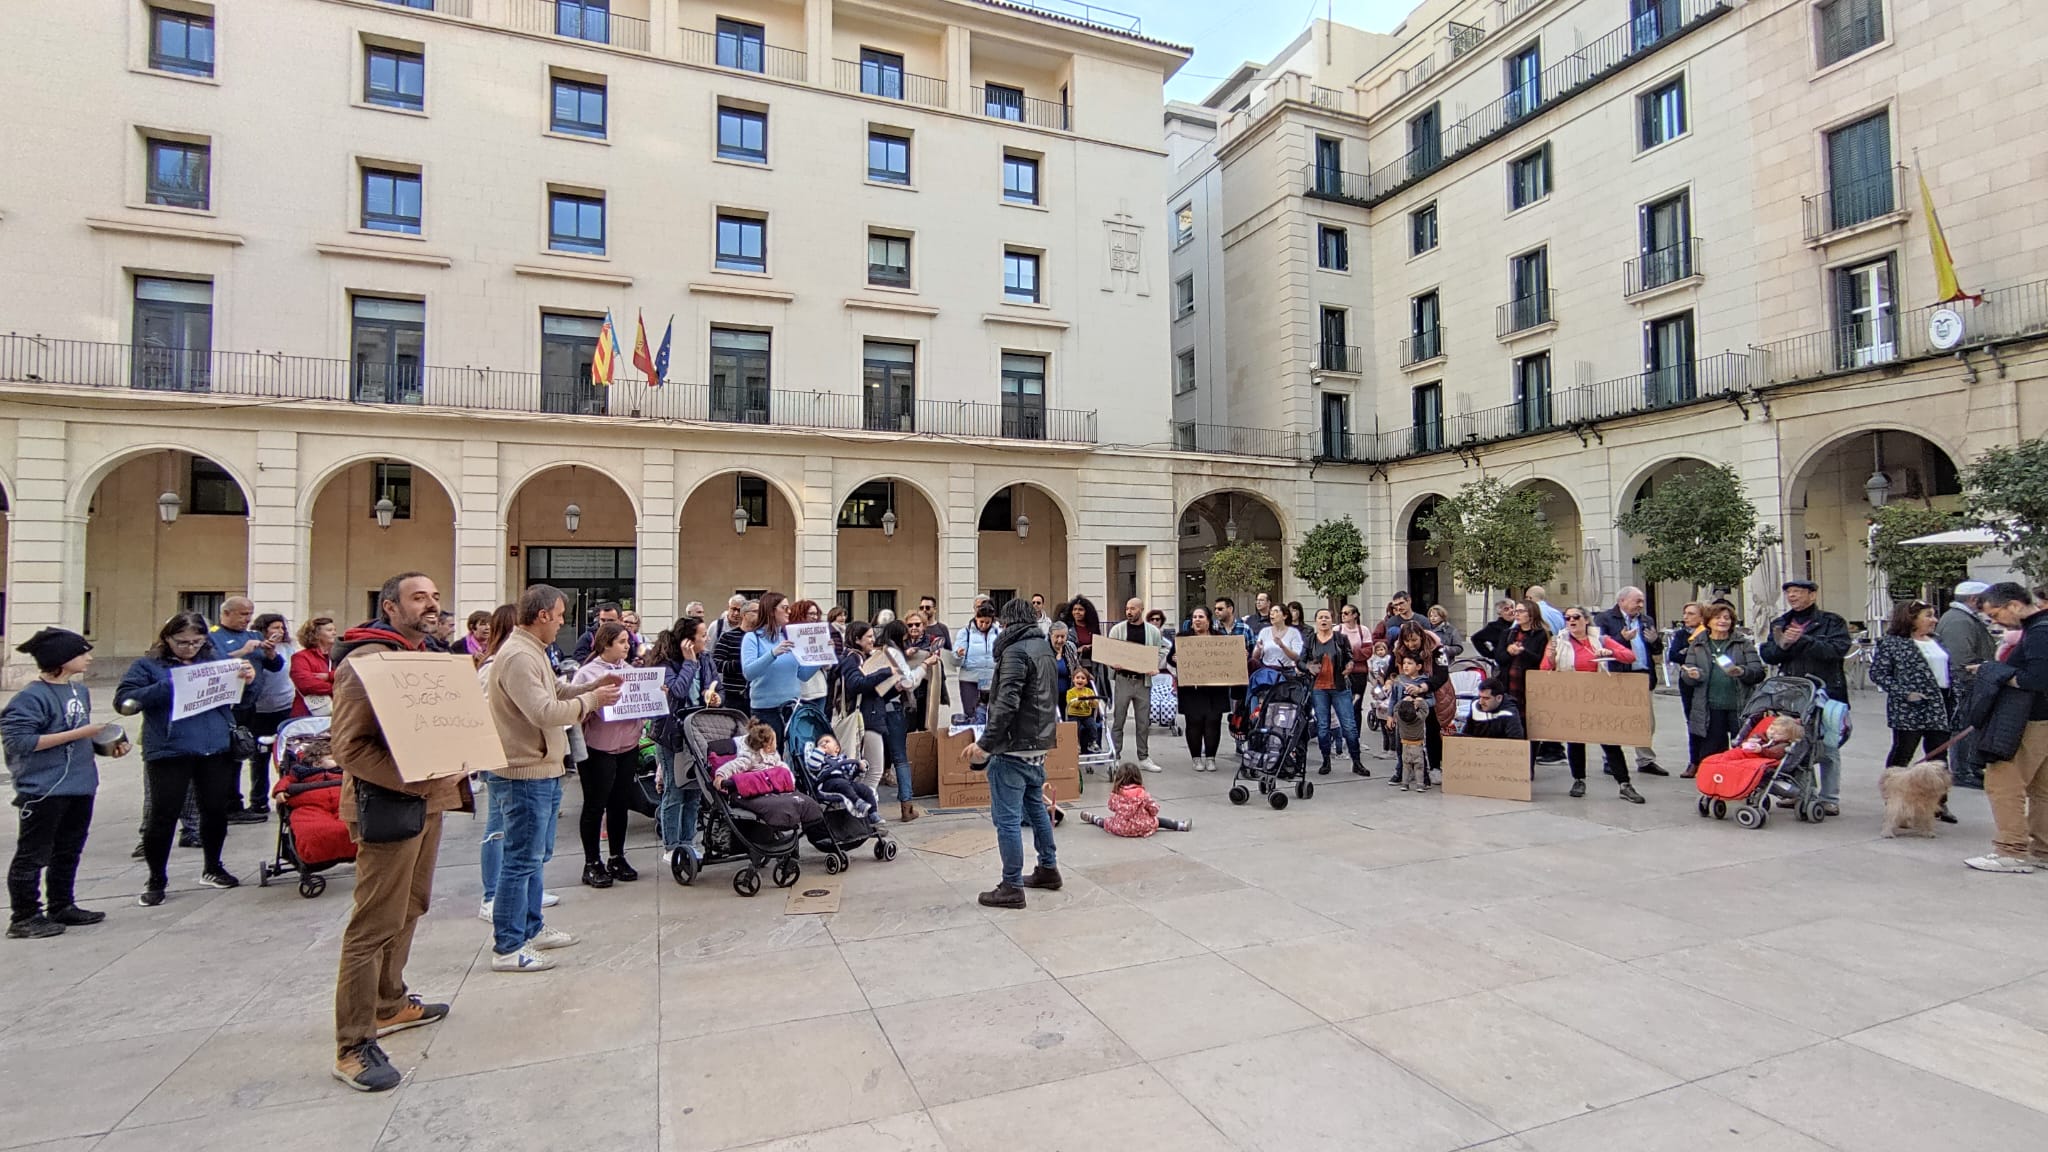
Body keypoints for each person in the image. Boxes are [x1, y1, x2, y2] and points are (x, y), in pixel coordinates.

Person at [327, 572, 464, 1092]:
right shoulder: (364, 663)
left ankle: (389, 1001)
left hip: (427, 803)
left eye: (433, 596)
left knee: (412, 904)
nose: (431, 604)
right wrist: (416, 780)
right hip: (386, 804)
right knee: (372, 924)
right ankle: (352, 1043)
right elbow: (350, 748)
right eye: (418, 597)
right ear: (390, 607)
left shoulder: (424, 655)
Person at [484, 584, 622, 973]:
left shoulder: (532, 651)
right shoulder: (517, 656)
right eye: (560, 615)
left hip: (541, 766)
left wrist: (591, 686)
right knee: (520, 859)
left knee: (532, 858)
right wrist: (593, 702)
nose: (562, 622)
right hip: (522, 769)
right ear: (542, 615)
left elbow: (557, 690)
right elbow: (544, 711)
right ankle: (509, 946)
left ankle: (531, 926)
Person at [117, 612, 259, 903]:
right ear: (166, 639)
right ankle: (156, 877)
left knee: (215, 811)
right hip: (170, 749)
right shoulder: (147, 665)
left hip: (215, 746)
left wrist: (248, 680)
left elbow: (242, 700)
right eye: (181, 642)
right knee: (163, 815)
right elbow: (125, 701)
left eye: (196, 642)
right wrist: (171, 684)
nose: (189, 648)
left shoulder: (214, 661)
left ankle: (213, 866)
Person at [5, 628, 121, 939]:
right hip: (44, 789)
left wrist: (105, 745)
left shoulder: (77, 691)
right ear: (61, 659)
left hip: (80, 784)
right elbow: (19, 741)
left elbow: (76, 733)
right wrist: (82, 733)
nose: (89, 657)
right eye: (82, 653)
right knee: (33, 854)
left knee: (68, 849)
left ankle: (62, 904)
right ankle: (25, 915)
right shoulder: (30, 697)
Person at [965, 598, 1060, 909]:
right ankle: (1048, 868)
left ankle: (1011, 884)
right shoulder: (1044, 646)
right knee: (1035, 807)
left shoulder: (1014, 651)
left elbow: (1006, 703)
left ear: (1008, 623)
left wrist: (986, 744)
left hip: (1014, 745)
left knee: (1007, 819)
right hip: (1040, 741)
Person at [475, 603, 560, 924]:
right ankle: (492, 896)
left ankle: (530, 911)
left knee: (530, 845)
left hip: (533, 761)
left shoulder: (529, 659)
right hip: (508, 762)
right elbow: (512, 713)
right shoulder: (503, 663)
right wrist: (586, 701)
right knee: (501, 832)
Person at [1967, 583, 2048, 873]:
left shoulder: (2039, 632)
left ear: (2014, 605)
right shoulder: (2039, 628)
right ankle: (2042, 849)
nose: (1995, 621)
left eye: (1995, 613)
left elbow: (2035, 679)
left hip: (2029, 720)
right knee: (2041, 788)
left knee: (2003, 783)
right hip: (2039, 719)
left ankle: (2011, 850)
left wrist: (1993, 672)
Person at [1759, 578, 1851, 813]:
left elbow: (1837, 650)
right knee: (1794, 742)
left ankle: (1830, 797)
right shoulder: (1781, 622)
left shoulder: (1831, 621)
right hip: (1792, 694)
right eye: (1789, 592)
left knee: (1828, 746)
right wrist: (1784, 645)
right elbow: (1769, 654)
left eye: (1798, 592)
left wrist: (1804, 639)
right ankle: (1802, 791)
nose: (1792, 596)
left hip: (1827, 691)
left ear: (1812, 595)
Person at [1540, 607, 1646, 803]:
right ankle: (1578, 779)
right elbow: (1545, 669)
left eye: (1576, 617)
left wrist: (1610, 651)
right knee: (1575, 741)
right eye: (1567, 618)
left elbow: (1630, 656)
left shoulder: (1601, 639)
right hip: (1572, 698)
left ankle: (1624, 783)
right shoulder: (1558, 641)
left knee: (1609, 741)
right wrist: (1551, 656)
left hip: (1598, 699)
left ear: (1586, 620)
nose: (1571, 621)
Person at [1869, 600, 1958, 825]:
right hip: (1909, 705)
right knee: (1904, 751)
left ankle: (1937, 801)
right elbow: (1879, 673)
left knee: (1938, 753)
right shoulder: (1892, 643)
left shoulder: (1937, 641)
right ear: (1911, 618)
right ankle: (1894, 799)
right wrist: (1904, 692)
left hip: (1940, 702)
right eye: (1928, 615)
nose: (1933, 620)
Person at [571, 622, 644, 888]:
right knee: (595, 804)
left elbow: (642, 703)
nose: (627, 646)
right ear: (606, 644)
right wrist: (596, 701)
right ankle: (592, 862)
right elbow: (576, 711)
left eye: (628, 641)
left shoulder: (631, 671)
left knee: (619, 804)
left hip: (627, 746)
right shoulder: (587, 674)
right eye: (622, 642)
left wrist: (654, 696)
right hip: (598, 748)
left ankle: (617, 856)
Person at [649, 616, 719, 865]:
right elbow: (677, 692)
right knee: (674, 789)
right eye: (702, 635)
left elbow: (715, 685)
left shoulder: (706, 659)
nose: (706, 638)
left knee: (694, 791)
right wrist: (689, 664)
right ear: (688, 641)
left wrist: (715, 696)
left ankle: (689, 842)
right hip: (672, 734)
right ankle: (671, 844)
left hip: (698, 731)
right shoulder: (667, 663)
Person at [212, 596, 283, 822]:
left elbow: (275, 666)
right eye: (242, 614)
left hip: (252, 706)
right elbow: (208, 665)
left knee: (245, 753)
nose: (247, 619)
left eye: (249, 614)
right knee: (228, 756)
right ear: (226, 614)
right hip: (228, 706)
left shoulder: (254, 635)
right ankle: (229, 804)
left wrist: (270, 653)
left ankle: (240, 802)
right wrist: (242, 651)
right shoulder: (214, 637)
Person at [1681, 603, 1764, 774]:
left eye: (1727, 618)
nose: (1723, 621)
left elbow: (1758, 672)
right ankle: (1715, 784)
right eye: (1718, 618)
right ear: (1708, 621)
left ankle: (1742, 783)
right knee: (1712, 750)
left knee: (1742, 747)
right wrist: (1693, 675)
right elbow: (1688, 674)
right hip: (1710, 706)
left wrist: (1741, 671)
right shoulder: (1698, 644)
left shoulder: (1742, 643)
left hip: (1739, 705)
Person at [1594, 587, 1669, 777]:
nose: (1641, 605)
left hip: (1643, 674)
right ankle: (1611, 759)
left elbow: (1656, 650)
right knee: (1615, 719)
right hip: (1618, 675)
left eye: (1642, 601)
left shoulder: (1646, 620)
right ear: (1622, 601)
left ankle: (1645, 759)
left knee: (1646, 720)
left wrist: (1655, 641)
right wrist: (1622, 639)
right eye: (1637, 601)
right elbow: (1600, 645)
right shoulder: (1605, 618)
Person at [1937, 580, 1997, 790]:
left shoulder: (1964, 618)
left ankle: (1969, 768)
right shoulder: (1959, 621)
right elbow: (1961, 658)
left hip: (1971, 681)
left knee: (1969, 726)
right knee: (1964, 727)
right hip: (1966, 682)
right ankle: (1962, 771)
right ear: (1974, 599)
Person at [742, 592, 822, 740]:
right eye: (784, 608)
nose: (789, 612)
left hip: (792, 708)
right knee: (768, 757)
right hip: (765, 710)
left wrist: (821, 658)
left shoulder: (787, 637)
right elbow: (749, 672)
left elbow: (802, 675)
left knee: (793, 754)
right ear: (772, 611)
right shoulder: (752, 638)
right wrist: (773, 653)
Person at [879, 619, 937, 821]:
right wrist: (924, 664)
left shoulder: (879, 652)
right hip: (893, 708)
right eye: (905, 637)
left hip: (873, 709)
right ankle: (907, 805)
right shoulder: (893, 653)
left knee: (873, 759)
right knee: (900, 756)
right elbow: (908, 682)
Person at [1387, 621, 1454, 783]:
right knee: (1407, 733)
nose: (1411, 645)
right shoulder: (1400, 649)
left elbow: (1442, 675)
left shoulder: (1437, 649)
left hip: (1434, 693)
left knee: (1432, 730)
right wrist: (1389, 680)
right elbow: (1392, 669)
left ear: (1422, 637)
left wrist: (1423, 687)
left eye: (1414, 640)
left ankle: (1435, 767)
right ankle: (1407, 768)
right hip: (1407, 694)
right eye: (1407, 641)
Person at [1299, 607, 1363, 776]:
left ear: (1332, 621)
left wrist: (1349, 665)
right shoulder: (1310, 640)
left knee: (1349, 726)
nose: (1324, 620)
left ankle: (1356, 761)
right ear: (1316, 621)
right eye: (1320, 617)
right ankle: (1326, 760)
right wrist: (1308, 667)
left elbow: (1349, 657)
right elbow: (1300, 661)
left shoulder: (1340, 639)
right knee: (1322, 726)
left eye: (1327, 617)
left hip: (1340, 687)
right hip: (1319, 688)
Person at [245, 612, 298, 812]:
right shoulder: (255, 647)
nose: (280, 631)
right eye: (274, 627)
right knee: (259, 756)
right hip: (259, 708)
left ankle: (286, 796)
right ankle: (258, 800)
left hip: (284, 705)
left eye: (281, 627)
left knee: (285, 755)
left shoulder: (288, 648)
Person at [1106, 598, 1166, 772]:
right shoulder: (1118, 629)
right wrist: (1113, 663)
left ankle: (1144, 757)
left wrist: (1154, 663)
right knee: (1119, 719)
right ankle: (1115, 755)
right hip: (1123, 679)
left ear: (1141, 610)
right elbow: (1110, 651)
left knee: (1143, 721)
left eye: (1132, 608)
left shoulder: (1152, 631)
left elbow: (1162, 649)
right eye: (1127, 608)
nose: (1129, 611)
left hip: (1142, 681)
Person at [1171, 608, 1232, 772]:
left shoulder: (1219, 638)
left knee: (1213, 722)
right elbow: (1171, 659)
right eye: (1194, 617)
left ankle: (1211, 757)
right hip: (1192, 689)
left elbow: (1230, 659)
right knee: (1194, 723)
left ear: (1208, 620)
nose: (1197, 620)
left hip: (1215, 689)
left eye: (1201, 617)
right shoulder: (1183, 638)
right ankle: (1196, 758)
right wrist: (1175, 658)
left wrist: (1239, 654)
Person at [1081, 762, 1192, 835]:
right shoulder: (1142, 794)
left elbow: (1111, 806)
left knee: (1107, 821)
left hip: (1122, 828)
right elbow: (1154, 810)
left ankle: (1094, 819)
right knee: (1158, 821)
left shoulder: (1117, 794)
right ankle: (1180, 825)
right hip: (1143, 826)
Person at [803, 733, 882, 823]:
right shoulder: (820, 759)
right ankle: (858, 802)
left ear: (837, 748)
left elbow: (851, 771)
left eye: (827, 741)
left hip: (845, 782)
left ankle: (873, 814)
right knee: (841, 784)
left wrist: (860, 766)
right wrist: (819, 751)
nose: (824, 743)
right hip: (827, 783)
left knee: (865, 789)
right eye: (821, 743)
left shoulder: (842, 759)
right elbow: (813, 766)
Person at [1667, 603, 1706, 767]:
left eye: (1690, 614)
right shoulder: (1682, 634)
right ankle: (1694, 761)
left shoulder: (1707, 633)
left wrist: (1687, 652)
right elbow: (1674, 655)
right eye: (1685, 614)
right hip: (1687, 682)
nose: (1685, 617)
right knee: (1692, 721)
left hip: (1706, 681)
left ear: (1702, 617)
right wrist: (1691, 653)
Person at [1391, 658, 1432, 790]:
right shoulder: (1399, 681)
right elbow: (1393, 699)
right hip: (1402, 723)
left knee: (1421, 752)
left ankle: (1424, 778)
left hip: (1418, 723)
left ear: (1419, 666)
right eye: (1404, 664)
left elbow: (1432, 701)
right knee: (1400, 749)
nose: (1406, 666)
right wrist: (1390, 715)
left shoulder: (1424, 682)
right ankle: (1401, 774)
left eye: (1410, 663)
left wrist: (1420, 702)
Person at [956, 603, 1002, 719]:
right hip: (970, 678)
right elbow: (955, 655)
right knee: (971, 712)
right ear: (976, 618)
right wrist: (958, 654)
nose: (984, 625)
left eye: (987, 622)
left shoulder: (999, 632)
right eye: (981, 621)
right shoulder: (965, 632)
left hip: (990, 678)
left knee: (992, 713)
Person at [713, 599, 757, 715]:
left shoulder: (761, 638)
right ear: (744, 614)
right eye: (756, 611)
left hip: (756, 696)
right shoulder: (728, 637)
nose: (760, 614)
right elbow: (716, 663)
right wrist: (741, 664)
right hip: (733, 697)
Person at [291, 617, 337, 717]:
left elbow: (348, 674)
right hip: (307, 713)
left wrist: (329, 676)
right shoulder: (301, 657)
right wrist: (337, 687)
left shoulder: (337, 656)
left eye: (334, 630)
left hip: (335, 711)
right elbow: (307, 684)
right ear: (316, 635)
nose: (334, 633)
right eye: (329, 630)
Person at [1254, 604, 1303, 672]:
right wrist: (1259, 649)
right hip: (1267, 672)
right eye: (1271, 611)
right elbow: (1255, 657)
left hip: (1287, 672)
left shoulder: (1294, 632)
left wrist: (1282, 646)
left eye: (1276, 611)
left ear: (1285, 616)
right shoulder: (1264, 631)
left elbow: (1296, 657)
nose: (1272, 613)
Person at [1066, 666, 1103, 753]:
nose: (1080, 680)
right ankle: (1076, 744)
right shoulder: (1070, 692)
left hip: (1086, 715)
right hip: (1074, 715)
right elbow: (1070, 704)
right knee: (1076, 728)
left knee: (1093, 726)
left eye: (1083, 678)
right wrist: (1079, 700)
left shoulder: (1089, 691)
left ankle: (1092, 742)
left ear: (1086, 681)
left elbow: (1095, 705)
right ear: (1073, 680)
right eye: (1077, 678)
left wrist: (1091, 701)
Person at [1470, 599, 1518, 664]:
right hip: (1503, 664)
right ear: (1500, 614)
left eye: (1512, 607)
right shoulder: (1494, 627)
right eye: (1506, 609)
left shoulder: (1520, 624)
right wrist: (1490, 654)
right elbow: (1476, 638)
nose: (1511, 611)